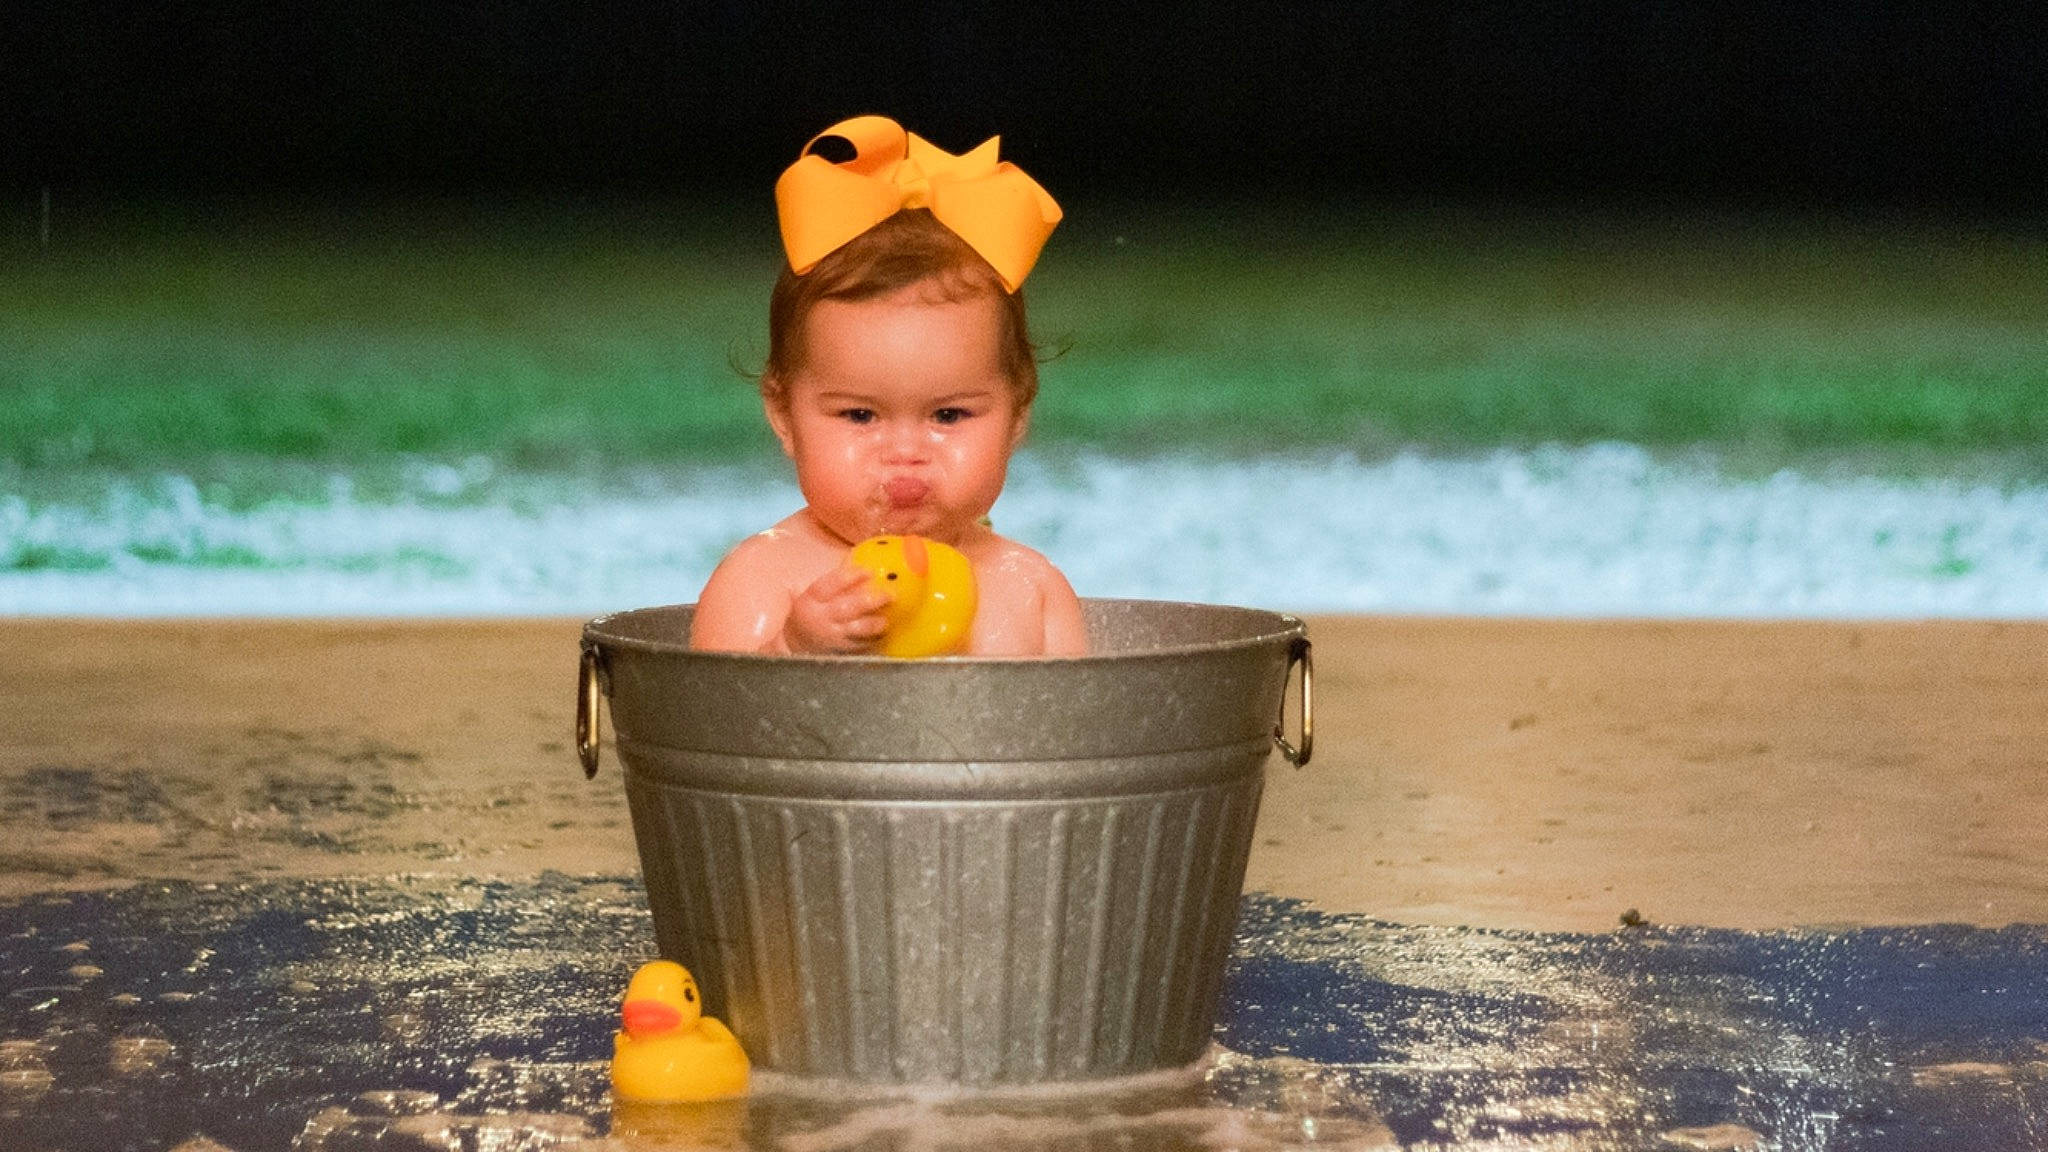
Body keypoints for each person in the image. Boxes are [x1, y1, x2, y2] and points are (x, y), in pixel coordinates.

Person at [690, 116, 1087, 657]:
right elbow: (706, 716)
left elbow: (1080, 723)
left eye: (948, 416)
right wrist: (791, 649)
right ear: (784, 417)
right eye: (859, 416)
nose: (905, 453)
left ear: (1017, 415)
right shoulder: (765, 577)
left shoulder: (1031, 587)